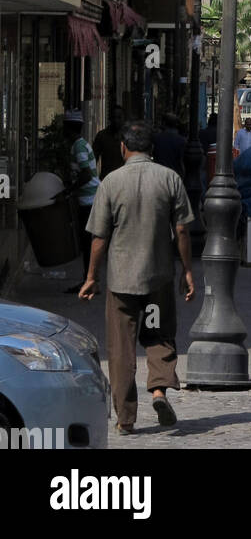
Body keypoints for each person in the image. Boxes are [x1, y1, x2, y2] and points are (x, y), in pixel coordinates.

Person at [79, 119, 194, 435]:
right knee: (157, 334)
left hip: (121, 283)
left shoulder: (111, 182)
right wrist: (186, 270)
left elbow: (99, 236)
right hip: (157, 281)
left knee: (121, 348)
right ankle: (158, 390)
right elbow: (182, 229)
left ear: (122, 147)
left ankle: (125, 418)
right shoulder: (169, 178)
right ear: (152, 149)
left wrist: (91, 276)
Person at [62, 110, 99, 291]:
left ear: (69, 128)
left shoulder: (79, 146)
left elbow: (86, 175)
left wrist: (70, 190)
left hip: (88, 201)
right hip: (89, 200)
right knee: (88, 242)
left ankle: (89, 282)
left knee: (87, 242)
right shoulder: (81, 144)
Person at [92, 106, 125, 180]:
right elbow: (93, 159)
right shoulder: (102, 136)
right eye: (114, 117)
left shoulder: (128, 137)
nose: (116, 120)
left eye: (119, 117)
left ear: (123, 119)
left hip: (124, 180)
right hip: (106, 179)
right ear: (110, 118)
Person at [153, 113, 187, 179]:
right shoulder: (182, 140)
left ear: (164, 123)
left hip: (159, 174)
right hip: (176, 174)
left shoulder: (156, 138)